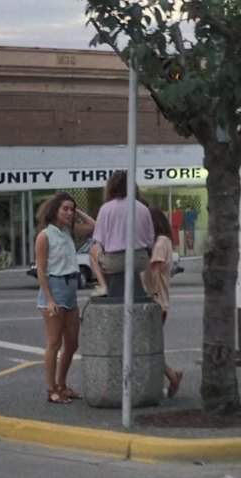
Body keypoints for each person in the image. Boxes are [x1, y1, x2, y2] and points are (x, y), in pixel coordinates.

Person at [35, 192, 87, 404]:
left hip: (70, 289)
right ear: (54, 210)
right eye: (64, 208)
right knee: (54, 342)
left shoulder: (68, 232)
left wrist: (78, 212)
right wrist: (49, 299)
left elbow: (94, 226)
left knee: (72, 344)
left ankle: (62, 384)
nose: (69, 212)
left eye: (71, 209)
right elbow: (41, 270)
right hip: (54, 288)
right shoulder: (45, 236)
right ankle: (52, 389)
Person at [91, 171, 155, 297]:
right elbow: (150, 240)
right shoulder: (142, 208)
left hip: (114, 262)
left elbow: (99, 240)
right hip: (139, 260)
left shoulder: (105, 209)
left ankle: (103, 286)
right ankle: (145, 286)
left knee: (92, 251)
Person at [142, 207, 184, 398]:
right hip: (161, 301)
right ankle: (170, 375)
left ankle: (171, 375)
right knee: (150, 345)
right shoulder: (165, 241)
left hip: (156, 301)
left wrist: (151, 293)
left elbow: (155, 269)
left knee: (148, 346)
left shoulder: (160, 243)